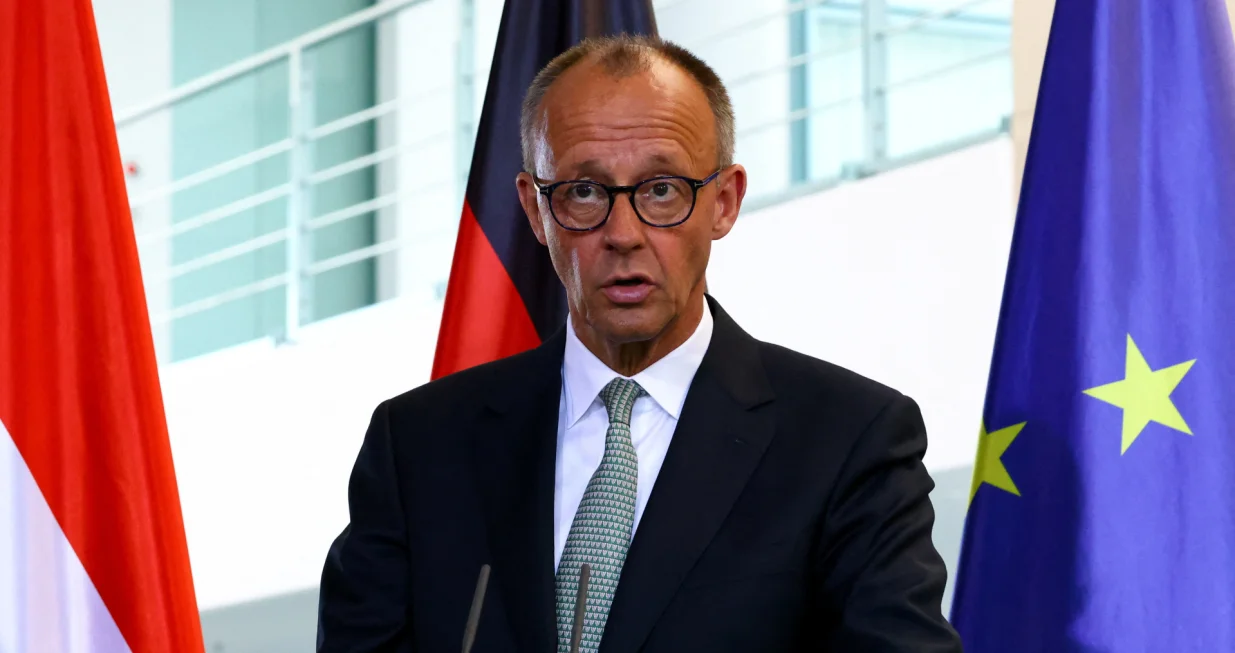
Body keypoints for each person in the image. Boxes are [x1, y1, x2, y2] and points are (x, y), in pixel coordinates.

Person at [316, 35, 962, 653]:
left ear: (724, 201)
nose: (622, 232)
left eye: (661, 190)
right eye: (583, 191)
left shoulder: (848, 435)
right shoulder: (421, 442)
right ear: (535, 210)